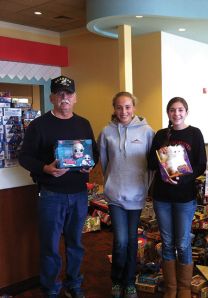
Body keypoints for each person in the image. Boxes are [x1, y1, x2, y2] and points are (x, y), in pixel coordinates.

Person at [18, 75, 99, 298]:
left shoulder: (83, 123)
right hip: (51, 195)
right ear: (52, 97)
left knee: (76, 244)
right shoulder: (39, 125)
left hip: (79, 194)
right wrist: (45, 168)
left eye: (69, 94)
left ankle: (74, 285)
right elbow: (24, 157)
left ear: (75, 98)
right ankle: (51, 290)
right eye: (60, 94)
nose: (65, 98)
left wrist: (89, 164)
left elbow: (95, 155)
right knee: (50, 247)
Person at [148, 97, 207, 298]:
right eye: (172, 110)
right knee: (167, 243)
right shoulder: (161, 135)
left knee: (182, 243)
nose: (177, 113)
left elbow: (201, 164)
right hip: (162, 197)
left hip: (185, 197)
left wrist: (183, 181)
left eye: (180, 110)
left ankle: (183, 288)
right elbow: (149, 163)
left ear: (186, 112)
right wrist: (159, 153)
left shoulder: (195, 133)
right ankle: (171, 288)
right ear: (168, 113)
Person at [97, 91, 154, 298]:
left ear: (134, 108)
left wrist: (145, 187)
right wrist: (111, 182)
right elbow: (104, 163)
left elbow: (152, 165)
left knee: (131, 240)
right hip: (115, 195)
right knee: (120, 240)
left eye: (128, 107)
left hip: (137, 195)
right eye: (119, 107)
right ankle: (116, 279)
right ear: (114, 108)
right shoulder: (106, 132)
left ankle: (129, 282)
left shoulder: (147, 132)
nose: (124, 111)